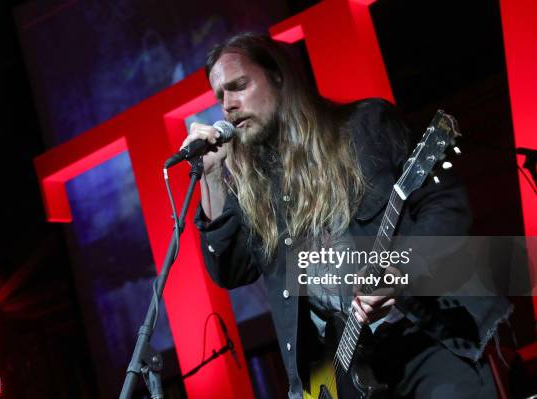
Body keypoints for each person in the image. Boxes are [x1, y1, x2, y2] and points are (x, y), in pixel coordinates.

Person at [186, 33, 511, 399]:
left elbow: (445, 206)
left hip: (423, 336)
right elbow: (229, 270)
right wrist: (211, 176)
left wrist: (402, 270)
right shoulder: (256, 187)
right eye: (220, 97)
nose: (227, 105)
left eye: (239, 86)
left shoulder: (365, 126)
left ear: (278, 77)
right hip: (343, 371)